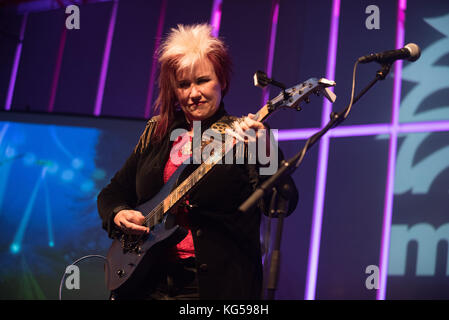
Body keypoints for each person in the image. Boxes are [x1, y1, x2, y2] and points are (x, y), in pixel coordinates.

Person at [97, 23, 297, 300]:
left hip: (212, 286)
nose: (193, 93)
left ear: (222, 81)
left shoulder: (244, 135)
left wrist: (267, 152)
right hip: (147, 281)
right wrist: (119, 212)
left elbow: (280, 205)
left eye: (202, 80)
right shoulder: (157, 133)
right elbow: (113, 192)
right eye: (183, 84)